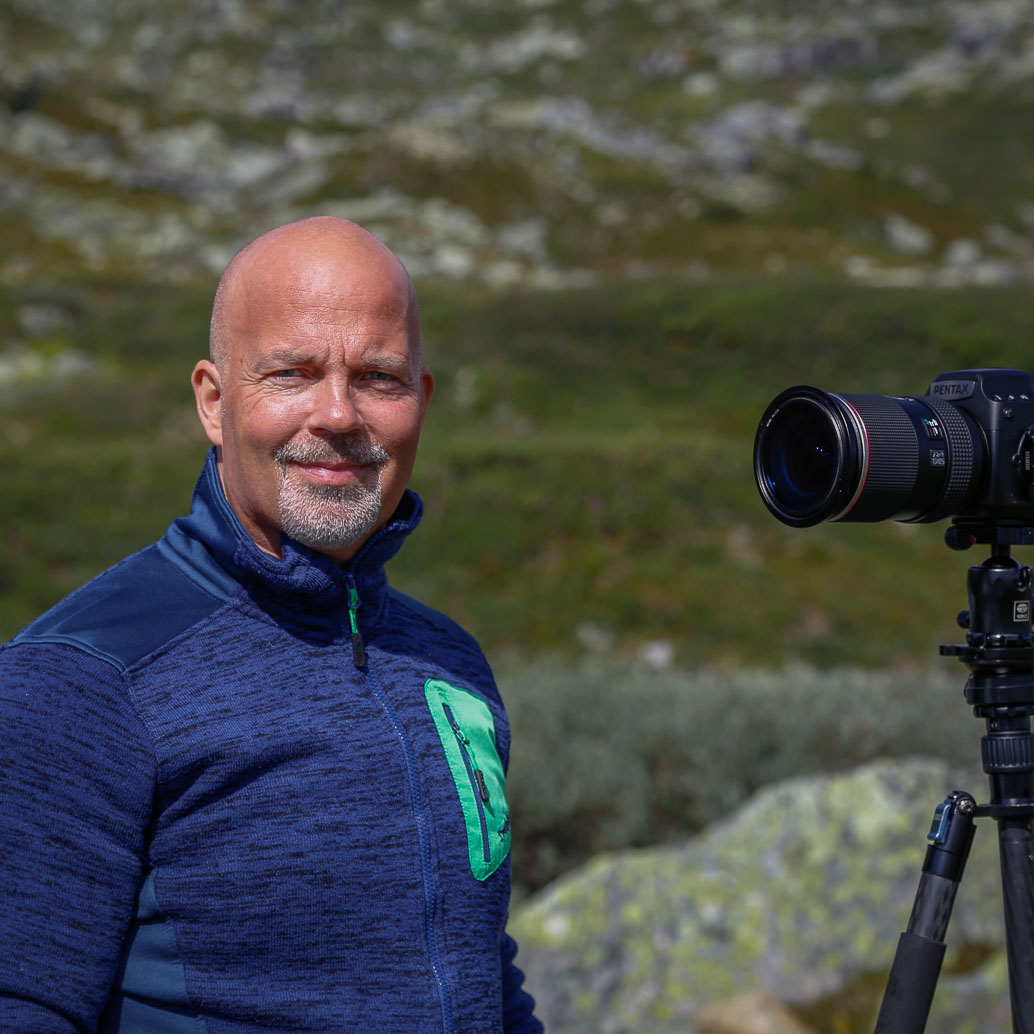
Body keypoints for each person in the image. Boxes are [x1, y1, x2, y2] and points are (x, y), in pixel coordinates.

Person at [0, 217, 543, 1033]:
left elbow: (478, 974)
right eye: (291, 373)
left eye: (379, 378)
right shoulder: (80, 678)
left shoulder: (448, 664)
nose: (337, 414)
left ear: (420, 402)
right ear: (214, 403)